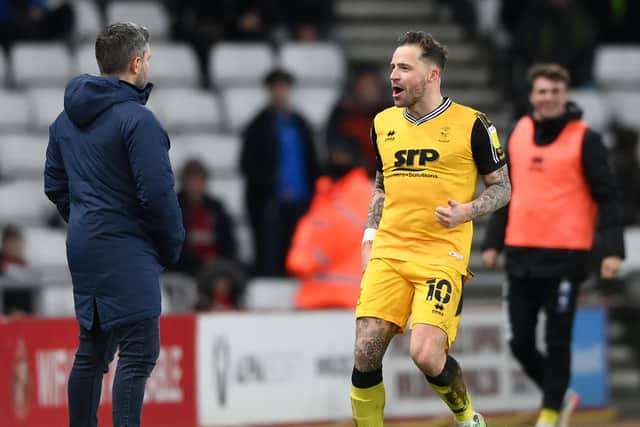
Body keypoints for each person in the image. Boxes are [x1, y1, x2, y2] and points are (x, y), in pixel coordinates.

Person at [352, 31, 511, 427]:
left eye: (404, 67)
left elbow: (503, 187)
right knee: (366, 351)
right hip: (390, 250)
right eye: (392, 67)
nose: (393, 75)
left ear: (432, 74)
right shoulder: (382, 123)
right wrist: (370, 236)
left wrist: (469, 211)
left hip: (442, 253)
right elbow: (382, 184)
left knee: (424, 354)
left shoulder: (474, 124)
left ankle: (467, 417)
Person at [44, 22, 185, 427]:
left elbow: (54, 184)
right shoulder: (138, 121)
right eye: (149, 59)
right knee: (139, 352)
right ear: (136, 62)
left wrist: (87, 220)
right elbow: (157, 195)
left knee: (91, 351)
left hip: (86, 246)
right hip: (126, 249)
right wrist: (170, 245)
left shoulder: (63, 121)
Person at [481, 63, 625, 427]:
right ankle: (559, 395)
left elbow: (608, 198)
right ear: (532, 95)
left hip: (566, 256)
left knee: (558, 340)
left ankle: (549, 412)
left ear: (566, 95)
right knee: (520, 342)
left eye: (555, 92)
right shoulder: (517, 133)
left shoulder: (585, 140)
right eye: (542, 92)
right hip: (521, 253)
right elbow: (505, 192)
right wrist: (493, 241)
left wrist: (611, 251)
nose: (548, 98)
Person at [240, 68, 319, 277]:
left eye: (284, 88)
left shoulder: (300, 124)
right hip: (271, 203)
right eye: (276, 88)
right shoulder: (258, 126)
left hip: (301, 202)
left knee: (298, 255)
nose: (280, 93)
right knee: (270, 257)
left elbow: (311, 162)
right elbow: (248, 165)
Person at [286, 141, 372, 309]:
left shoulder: (360, 191)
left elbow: (340, 234)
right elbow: (312, 228)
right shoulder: (327, 191)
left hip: (346, 297)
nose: (336, 160)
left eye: (341, 155)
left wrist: (302, 260)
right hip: (316, 296)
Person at [173, 158, 238, 276]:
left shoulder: (216, 208)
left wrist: (218, 260)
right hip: (185, 270)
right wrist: (200, 262)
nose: (195, 185)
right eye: (192, 180)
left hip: (216, 269)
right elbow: (173, 249)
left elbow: (229, 243)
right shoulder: (175, 209)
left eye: (199, 180)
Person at [327, 68, 388, 177]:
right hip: (352, 177)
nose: (366, 89)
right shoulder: (343, 112)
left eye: (370, 84)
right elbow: (337, 150)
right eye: (362, 84)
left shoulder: (390, 111)